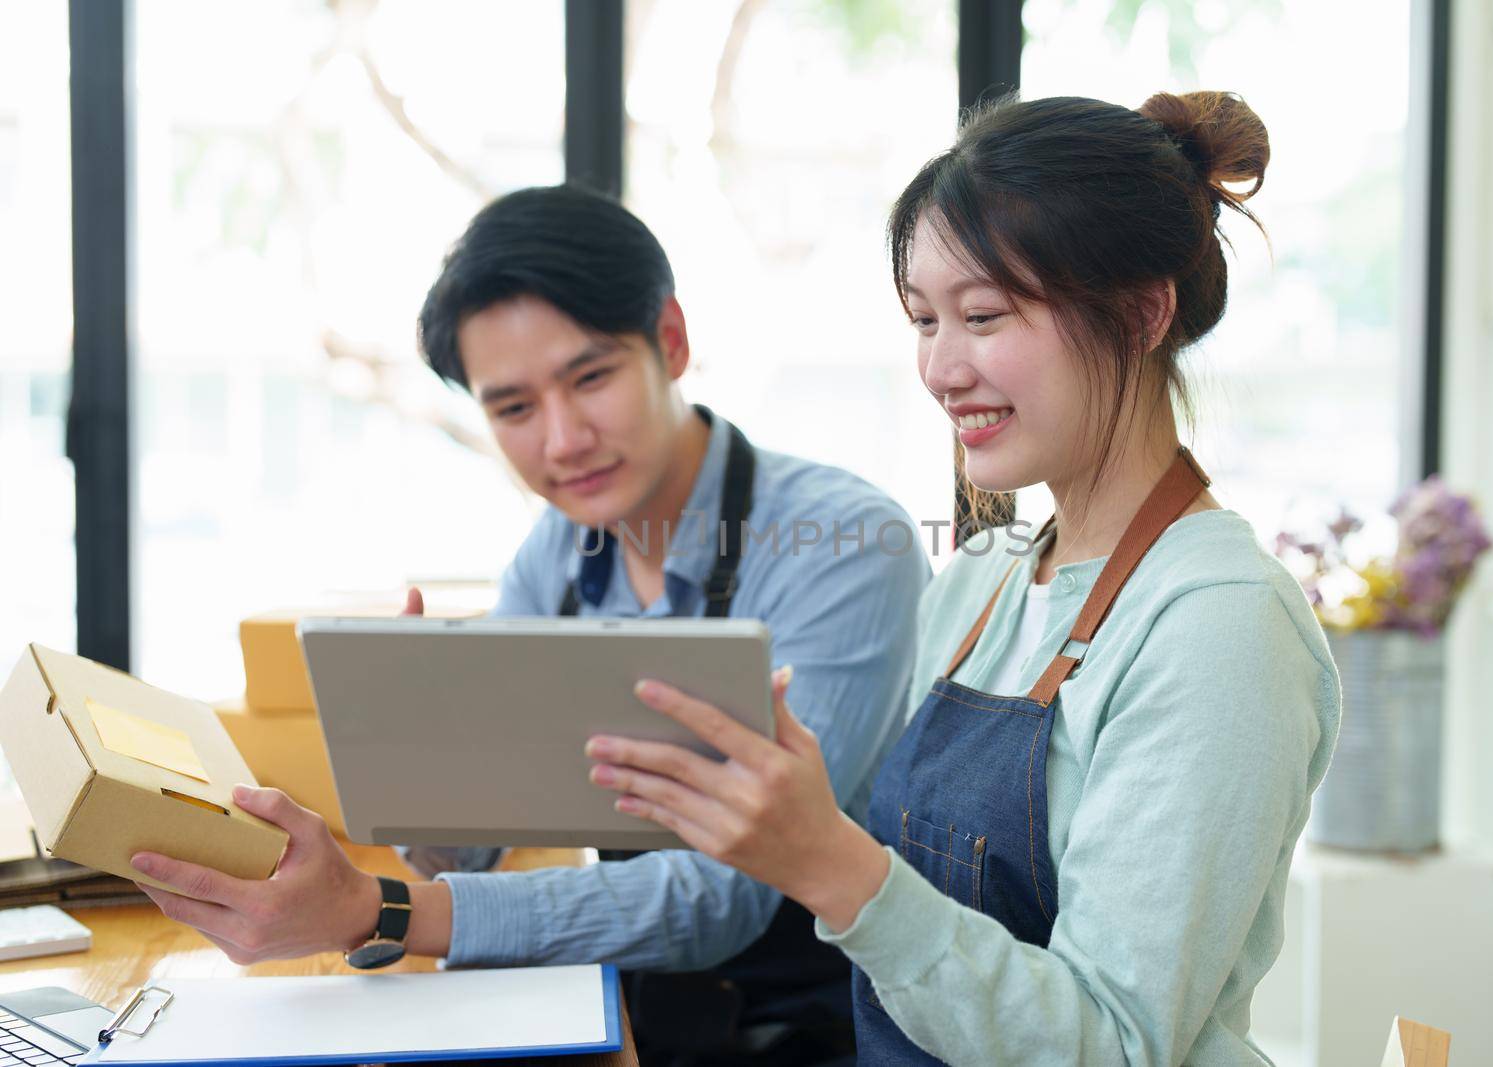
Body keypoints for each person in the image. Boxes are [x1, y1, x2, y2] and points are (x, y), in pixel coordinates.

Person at [583, 91, 1343, 1065]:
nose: (940, 368)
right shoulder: (984, 575)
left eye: (982, 315)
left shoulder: (1218, 629)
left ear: (1144, 311)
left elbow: (1112, 1043)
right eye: (922, 319)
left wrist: (830, 858)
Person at [128, 185, 929, 1065]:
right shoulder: (558, 550)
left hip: (820, 1026)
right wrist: (415, 755)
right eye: (513, 409)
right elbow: (466, 846)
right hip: (638, 1001)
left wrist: (380, 909)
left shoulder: (849, 545)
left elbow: (724, 897)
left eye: (590, 379)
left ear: (671, 341)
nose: (562, 440)